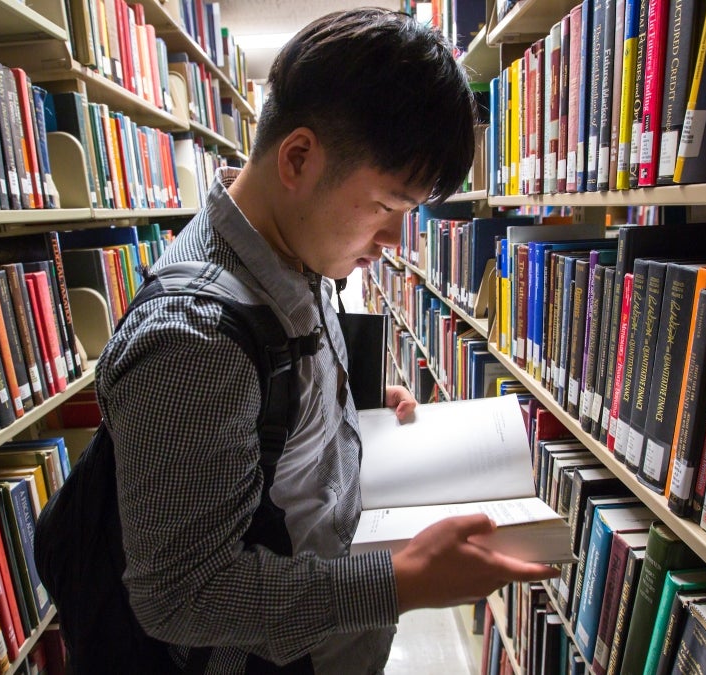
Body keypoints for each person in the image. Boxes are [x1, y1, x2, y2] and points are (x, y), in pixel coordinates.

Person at [94, 8, 555, 673]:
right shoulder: (193, 343)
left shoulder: (289, 246)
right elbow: (180, 595)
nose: (395, 243)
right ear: (299, 158)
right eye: (388, 207)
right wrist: (400, 581)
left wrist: (344, 403)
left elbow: (271, 405)